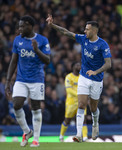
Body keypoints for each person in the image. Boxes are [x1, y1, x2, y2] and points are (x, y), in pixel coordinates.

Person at [46, 14, 112, 142]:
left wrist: (95, 71)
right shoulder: (83, 39)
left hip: (97, 79)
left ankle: (95, 124)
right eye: (85, 29)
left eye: (87, 29)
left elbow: (108, 64)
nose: (84, 31)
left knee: (93, 108)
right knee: (81, 104)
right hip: (83, 76)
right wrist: (52, 25)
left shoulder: (103, 44)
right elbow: (66, 32)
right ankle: (78, 134)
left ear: (94, 30)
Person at [5, 16, 51, 147]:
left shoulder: (42, 40)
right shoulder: (17, 40)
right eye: (19, 26)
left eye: (22, 26)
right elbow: (14, 61)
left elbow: (47, 60)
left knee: (36, 108)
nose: (19, 29)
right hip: (21, 79)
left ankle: (36, 139)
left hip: (37, 79)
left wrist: (37, 50)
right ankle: (27, 131)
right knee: (16, 104)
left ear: (29, 26)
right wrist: (8, 81)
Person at [59, 62, 88, 142]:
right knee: (67, 120)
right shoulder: (69, 77)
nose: (79, 66)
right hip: (71, 102)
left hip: (81, 102)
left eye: (80, 65)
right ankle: (61, 136)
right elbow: (68, 90)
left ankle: (85, 137)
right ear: (73, 67)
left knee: (84, 119)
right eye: (77, 65)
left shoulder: (82, 77)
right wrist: (79, 95)